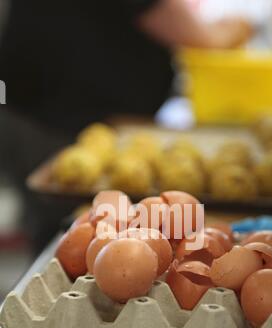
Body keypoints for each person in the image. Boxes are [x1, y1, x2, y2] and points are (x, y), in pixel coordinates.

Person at [0, 0, 252, 249]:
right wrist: (222, 32)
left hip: (61, 108)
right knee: (68, 237)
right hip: (56, 117)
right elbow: (176, 22)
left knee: (77, 237)